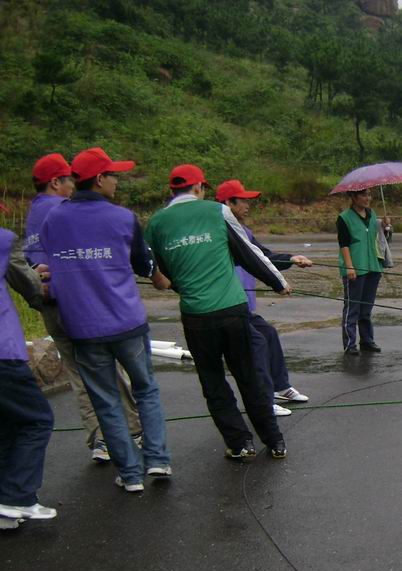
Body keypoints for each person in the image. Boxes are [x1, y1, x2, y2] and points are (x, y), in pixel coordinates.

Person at [39, 147, 171, 492]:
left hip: (82, 327)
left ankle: (130, 475)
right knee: (146, 389)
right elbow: (143, 263)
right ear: (99, 179)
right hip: (127, 322)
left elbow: (51, 262)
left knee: (107, 400)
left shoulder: (54, 219)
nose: (116, 181)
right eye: (114, 176)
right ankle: (157, 459)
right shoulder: (123, 217)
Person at [145, 164, 291, 460]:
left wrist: (183, 286)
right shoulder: (217, 211)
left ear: (172, 190)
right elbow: (248, 252)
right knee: (248, 377)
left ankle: (240, 443)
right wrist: (278, 283)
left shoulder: (156, 223)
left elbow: (159, 269)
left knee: (213, 382)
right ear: (198, 187)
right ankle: (275, 442)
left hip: (196, 315)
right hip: (233, 310)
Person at [23, 153, 143, 463]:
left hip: (48, 306)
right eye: (70, 180)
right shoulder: (62, 211)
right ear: (55, 182)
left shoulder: (33, 214)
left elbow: (29, 263)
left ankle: (99, 440)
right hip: (77, 304)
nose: (74, 185)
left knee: (78, 373)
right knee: (107, 366)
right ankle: (131, 431)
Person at [216, 179, 313, 416]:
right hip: (227, 306)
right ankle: (263, 400)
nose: (248, 205)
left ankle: (280, 387)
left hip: (243, 306)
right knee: (256, 343)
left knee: (268, 333)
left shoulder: (245, 232)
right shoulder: (217, 233)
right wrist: (278, 283)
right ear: (228, 203)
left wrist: (291, 259)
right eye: (243, 201)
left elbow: (264, 256)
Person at [0, 227, 57, 528]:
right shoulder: (4, 240)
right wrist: (39, 282)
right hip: (4, 353)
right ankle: (17, 497)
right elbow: (27, 282)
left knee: (8, 424)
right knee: (37, 420)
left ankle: (5, 506)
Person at [337, 188, 386, 355]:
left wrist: (385, 226)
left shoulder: (372, 215)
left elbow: (379, 238)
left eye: (369, 195)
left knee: (366, 308)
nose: (367, 198)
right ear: (354, 197)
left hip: (373, 267)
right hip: (355, 268)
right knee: (352, 308)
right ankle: (350, 344)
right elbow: (344, 244)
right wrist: (349, 266)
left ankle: (367, 340)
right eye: (364, 195)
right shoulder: (344, 218)